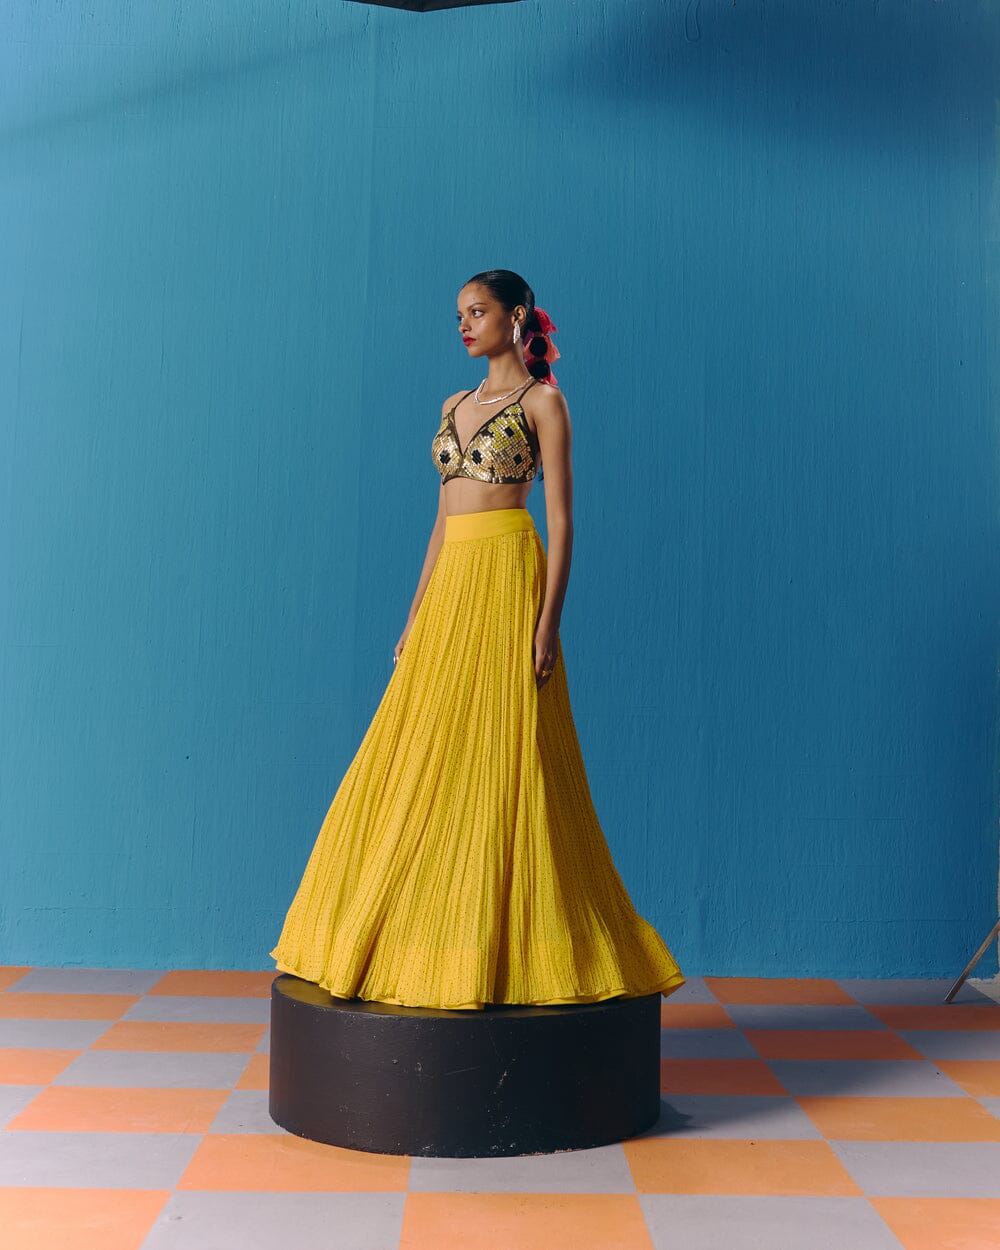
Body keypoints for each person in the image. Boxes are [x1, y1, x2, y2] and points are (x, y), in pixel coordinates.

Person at [269, 269, 685, 1010]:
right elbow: (441, 520)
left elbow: (563, 522)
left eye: (478, 311)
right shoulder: (453, 405)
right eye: (459, 314)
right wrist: (413, 613)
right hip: (452, 583)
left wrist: (549, 623)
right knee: (416, 750)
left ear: (517, 316)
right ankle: (400, 937)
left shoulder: (544, 403)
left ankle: (512, 949)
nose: (464, 324)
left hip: (507, 577)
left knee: (505, 752)